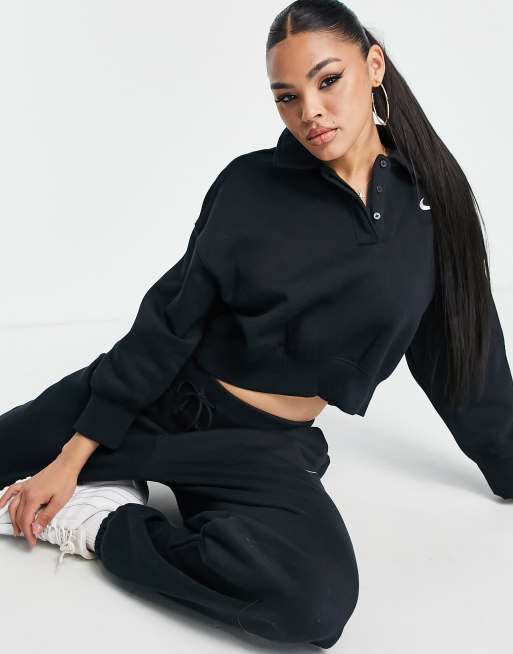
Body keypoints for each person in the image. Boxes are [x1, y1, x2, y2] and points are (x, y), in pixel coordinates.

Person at [1, 0, 512, 649]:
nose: (310, 112)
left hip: (258, 448)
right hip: (156, 403)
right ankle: (108, 466)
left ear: (373, 66)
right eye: (287, 96)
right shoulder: (249, 185)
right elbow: (169, 322)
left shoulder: (431, 208)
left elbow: (466, 362)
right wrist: (73, 455)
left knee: (314, 606)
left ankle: (101, 520)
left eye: (328, 81)